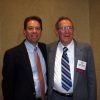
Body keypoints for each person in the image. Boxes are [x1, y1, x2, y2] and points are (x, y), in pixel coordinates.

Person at [47, 16, 97, 100]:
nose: (67, 31)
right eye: (63, 28)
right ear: (57, 32)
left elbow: (91, 79)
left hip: (79, 97)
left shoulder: (85, 49)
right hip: (55, 97)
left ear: (73, 30)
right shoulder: (49, 49)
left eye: (70, 28)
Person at [2, 16, 47, 100]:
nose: (34, 31)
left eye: (37, 28)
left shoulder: (44, 48)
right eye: (30, 28)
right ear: (24, 31)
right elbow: (7, 86)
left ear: (41, 31)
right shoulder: (12, 54)